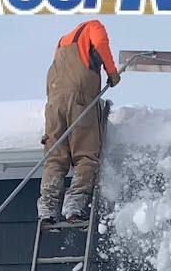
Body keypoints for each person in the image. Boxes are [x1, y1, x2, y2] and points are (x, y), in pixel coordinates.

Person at [37, 20, 121, 224]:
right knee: (86, 156)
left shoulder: (62, 43)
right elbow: (101, 43)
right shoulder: (94, 26)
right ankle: (74, 206)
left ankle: (47, 209)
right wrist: (111, 71)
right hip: (80, 102)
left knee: (56, 158)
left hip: (54, 105)